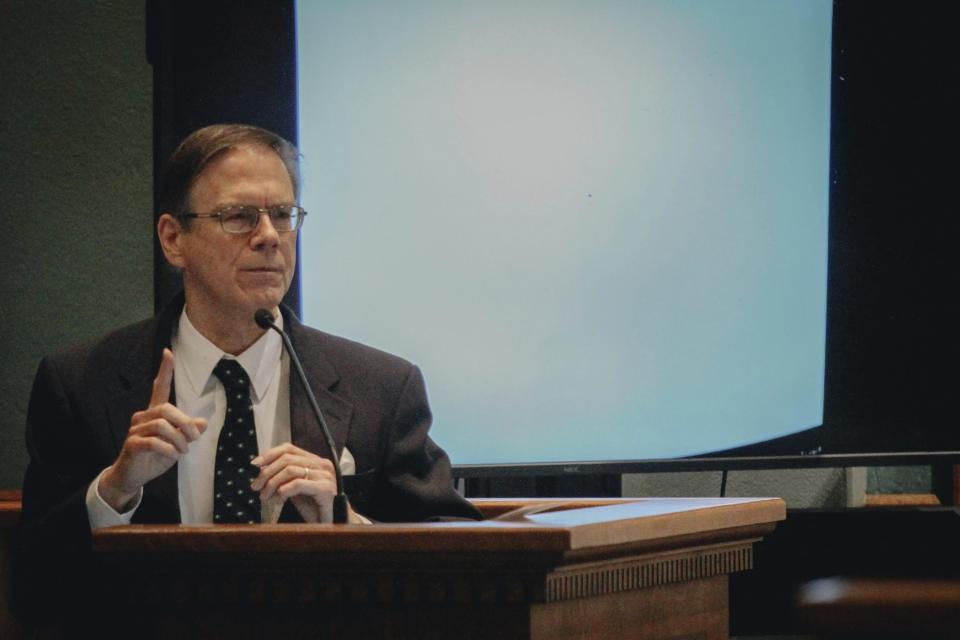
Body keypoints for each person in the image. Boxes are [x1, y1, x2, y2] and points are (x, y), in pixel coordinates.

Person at [20, 124, 480, 561]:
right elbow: (33, 576)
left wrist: (350, 525)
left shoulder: (381, 387)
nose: (268, 237)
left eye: (282, 215)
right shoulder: (81, 383)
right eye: (238, 217)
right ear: (173, 239)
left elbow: (459, 549)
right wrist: (114, 491)